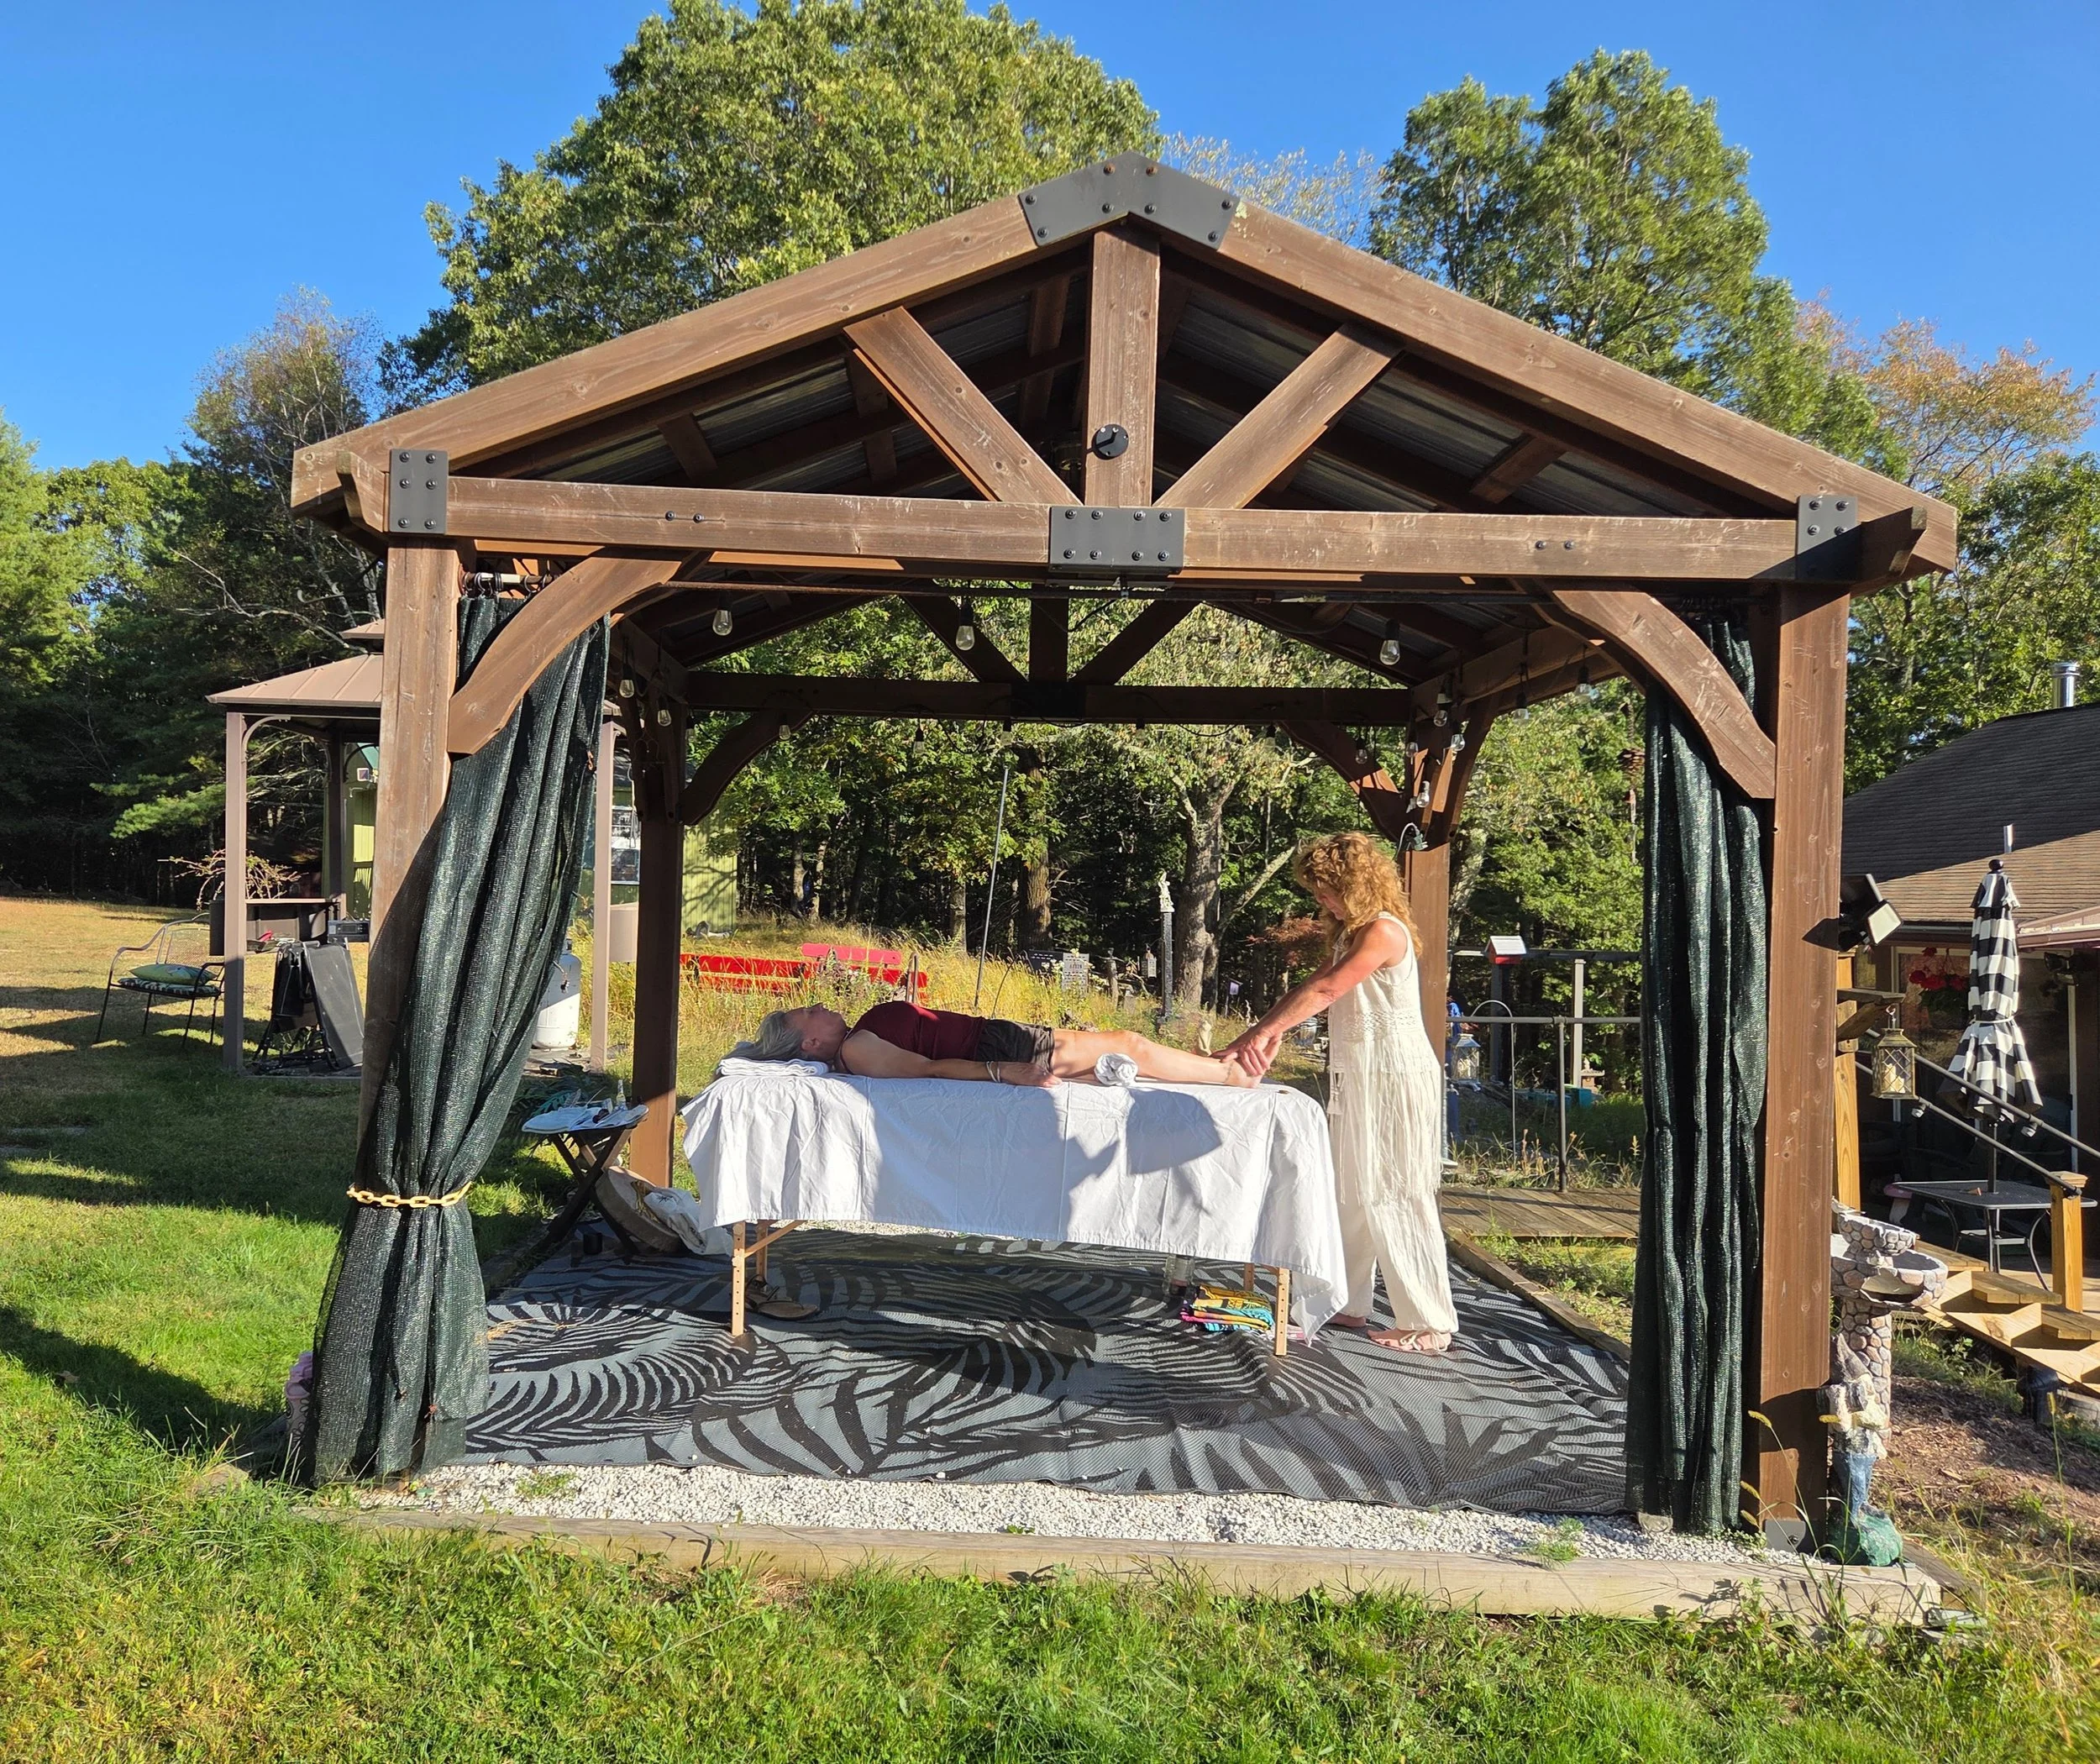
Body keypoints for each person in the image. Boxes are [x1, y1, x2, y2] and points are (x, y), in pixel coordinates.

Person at [1221, 832, 1457, 1352]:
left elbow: (1329, 992)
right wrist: (1250, 1036)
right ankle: (1349, 1301)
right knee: (1349, 1187)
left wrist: (1263, 1036)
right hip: (1361, 1073)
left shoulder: (1383, 932)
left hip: (1396, 1076)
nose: (1320, 899)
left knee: (1397, 1188)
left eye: (1326, 888)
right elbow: (1308, 988)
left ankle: (1429, 1320)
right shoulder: (1352, 934)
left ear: (1354, 882)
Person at [732, 997, 1257, 1089]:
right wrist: (1006, 1072)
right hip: (996, 1048)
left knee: (1126, 1051)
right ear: (809, 1043)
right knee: (1128, 1044)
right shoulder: (855, 1050)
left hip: (995, 1038)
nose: (823, 1006)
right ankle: (1231, 1074)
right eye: (813, 1013)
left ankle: (1217, 1068)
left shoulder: (855, 1036)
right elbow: (927, 1069)